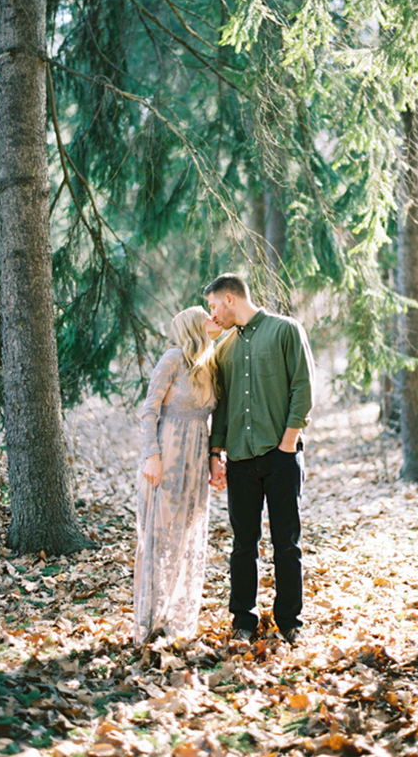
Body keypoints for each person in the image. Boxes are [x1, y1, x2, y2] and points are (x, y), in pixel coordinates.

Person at [204, 274, 315, 646]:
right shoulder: (224, 349)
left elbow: (303, 386)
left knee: (287, 542)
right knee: (243, 545)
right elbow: (221, 407)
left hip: (281, 456)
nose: (213, 315)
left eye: (214, 306)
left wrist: (288, 443)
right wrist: (216, 454)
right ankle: (244, 621)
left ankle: (290, 621)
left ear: (230, 298)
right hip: (241, 462)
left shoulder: (285, 330)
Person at [133, 306, 224, 644]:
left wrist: (217, 459)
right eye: (207, 314)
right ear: (192, 325)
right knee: (160, 537)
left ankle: (174, 618)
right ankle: (149, 620)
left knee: (185, 536)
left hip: (196, 457)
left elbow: (213, 419)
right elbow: (148, 411)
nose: (214, 317)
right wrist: (151, 456)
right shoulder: (172, 358)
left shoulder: (210, 363)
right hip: (167, 453)